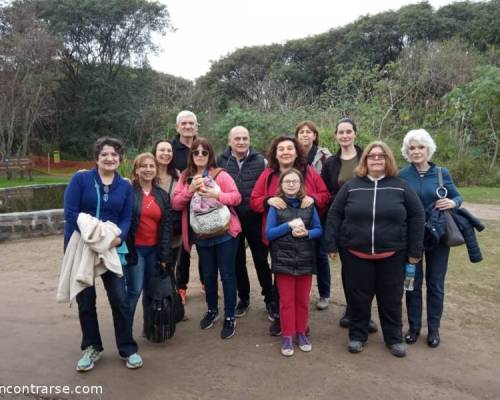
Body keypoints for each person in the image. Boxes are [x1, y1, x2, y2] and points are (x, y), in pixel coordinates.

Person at [325, 141, 425, 357]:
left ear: (388, 160)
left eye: (381, 156)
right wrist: (331, 243)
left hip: (392, 254)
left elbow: (417, 215)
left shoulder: (400, 186)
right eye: (372, 156)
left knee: (390, 298)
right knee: (358, 298)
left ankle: (394, 338)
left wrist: (415, 250)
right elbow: (335, 214)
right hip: (355, 253)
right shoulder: (352, 186)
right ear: (365, 160)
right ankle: (357, 335)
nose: (377, 159)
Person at [63, 137, 142, 371]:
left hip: (112, 247)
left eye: (114, 155)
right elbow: (70, 214)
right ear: (97, 157)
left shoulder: (125, 186)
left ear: (120, 159)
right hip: (82, 246)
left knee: (120, 299)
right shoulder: (81, 179)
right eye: (105, 154)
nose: (109, 158)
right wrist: (93, 239)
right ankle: (91, 347)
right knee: (86, 300)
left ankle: (128, 348)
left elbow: (127, 217)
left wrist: (118, 238)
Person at [250, 136, 330, 336]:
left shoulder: (309, 172)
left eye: (289, 148)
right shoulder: (268, 175)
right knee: (281, 277)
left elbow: (325, 196)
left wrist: (312, 197)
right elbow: (254, 201)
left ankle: (300, 323)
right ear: (275, 154)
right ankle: (281, 317)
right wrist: (269, 200)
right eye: (281, 149)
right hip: (277, 237)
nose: (285, 152)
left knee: (301, 277)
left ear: (297, 152)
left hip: (304, 237)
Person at [172, 138, 242, 339]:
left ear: (210, 154)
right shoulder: (185, 176)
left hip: (225, 233)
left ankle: (230, 315)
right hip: (202, 234)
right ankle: (212, 310)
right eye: (196, 152)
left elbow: (236, 197)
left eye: (204, 152)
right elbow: (176, 203)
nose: (200, 155)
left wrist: (216, 195)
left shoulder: (220, 175)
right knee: (209, 275)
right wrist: (190, 190)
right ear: (191, 155)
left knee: (227, 275)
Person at [399, 129, 463, 348]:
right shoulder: (402, 175)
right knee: (412, 283)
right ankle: (414, 328)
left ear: (429, 149)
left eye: (420, 147)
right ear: (407, 151)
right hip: (412, 238)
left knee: (435, 283)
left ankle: (434, 329)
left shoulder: (441, 173)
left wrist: (453, 203)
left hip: (438, 237)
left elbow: (457, 196)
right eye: (412, 148)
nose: (416, 151)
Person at [321, 117, 378, 332]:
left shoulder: (368, 157)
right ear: (336, 136)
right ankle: (352, 310)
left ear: (355, 134)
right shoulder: (330, 163)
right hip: (344, 223)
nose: (345, 135)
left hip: (369, 220)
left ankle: (365, 313)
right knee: (350, 271)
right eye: (341, 132)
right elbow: (326, 193)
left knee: (370, 272)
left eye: (348, 131)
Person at [217, 126, 274, 319]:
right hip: (232, 219)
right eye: (237, 139)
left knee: (261, 260)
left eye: (245, 138)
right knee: (237, 261)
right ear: (229, 141)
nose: (241, 142)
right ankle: (244, 298)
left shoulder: (261, 161)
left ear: (250, 140)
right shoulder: (221, 161)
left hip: (255, 219)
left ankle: (270, 299)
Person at [266, 168, 323, 356]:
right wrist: (288, 225)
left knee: (302, 301)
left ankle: (301, 332)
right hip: (283, 261)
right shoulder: (276, 207)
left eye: (295, 181)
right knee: (286, 302)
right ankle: (288, 336)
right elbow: (269, 233)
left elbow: (318, 229)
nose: (291, 184)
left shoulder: (309, 205)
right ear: (281, 185)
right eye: (287, 181)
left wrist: (307, 233)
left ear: (300, 185)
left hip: (305, 260)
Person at [124, 152, 172, 330]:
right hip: (135, 250)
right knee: (135, 290)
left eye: (151, 166)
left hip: (153, 251)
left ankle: (150, 327)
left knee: (151, 291)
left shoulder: (161, 195)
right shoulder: (128, 192)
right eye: (143, 166)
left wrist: (165, 256)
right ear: (136, 170)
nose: (148, 169)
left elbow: (166, 227)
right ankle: (125, 331)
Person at [295, 120, 332, 311]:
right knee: (300, 253)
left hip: (319, 211)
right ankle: (302, 292)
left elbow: (327, 187)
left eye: (309, 132)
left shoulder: (324, 157)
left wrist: (314, 198)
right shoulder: (291, 155)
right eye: (301, 132)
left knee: (320, 253)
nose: (305, 135)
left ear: (315, 136)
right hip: (295, 213)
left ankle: (324, 293)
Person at [171, 110, 201, 303]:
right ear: (177, 127)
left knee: (205, 248)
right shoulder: (170, 149)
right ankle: (181, 287)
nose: (188, 126)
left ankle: (207, 282)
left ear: (196, 126)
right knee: (183, 250)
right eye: (184, 124)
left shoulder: (202, 146)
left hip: (204, 207)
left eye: (191, 123)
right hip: (180, 207)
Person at [152, 139, 183, 298]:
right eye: (161, 150)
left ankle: (170, 310)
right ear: (155, 153)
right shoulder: (148, 172)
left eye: (169, 150)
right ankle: (155, 309)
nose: (166, 154)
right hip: (150, 233)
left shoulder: (178, 175)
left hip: (173, 234)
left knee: (169, 270)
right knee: (152, 272)